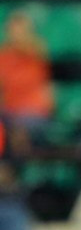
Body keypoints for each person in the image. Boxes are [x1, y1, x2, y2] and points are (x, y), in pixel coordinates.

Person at [0, 10, 54, 157]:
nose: (16, 34)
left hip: (33, 114)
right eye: (13, 30)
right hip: (9, 112)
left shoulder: (37, 50)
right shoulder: (4, 55)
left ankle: (18, 170)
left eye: (21, 30)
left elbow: (36, 50)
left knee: (20, 132)